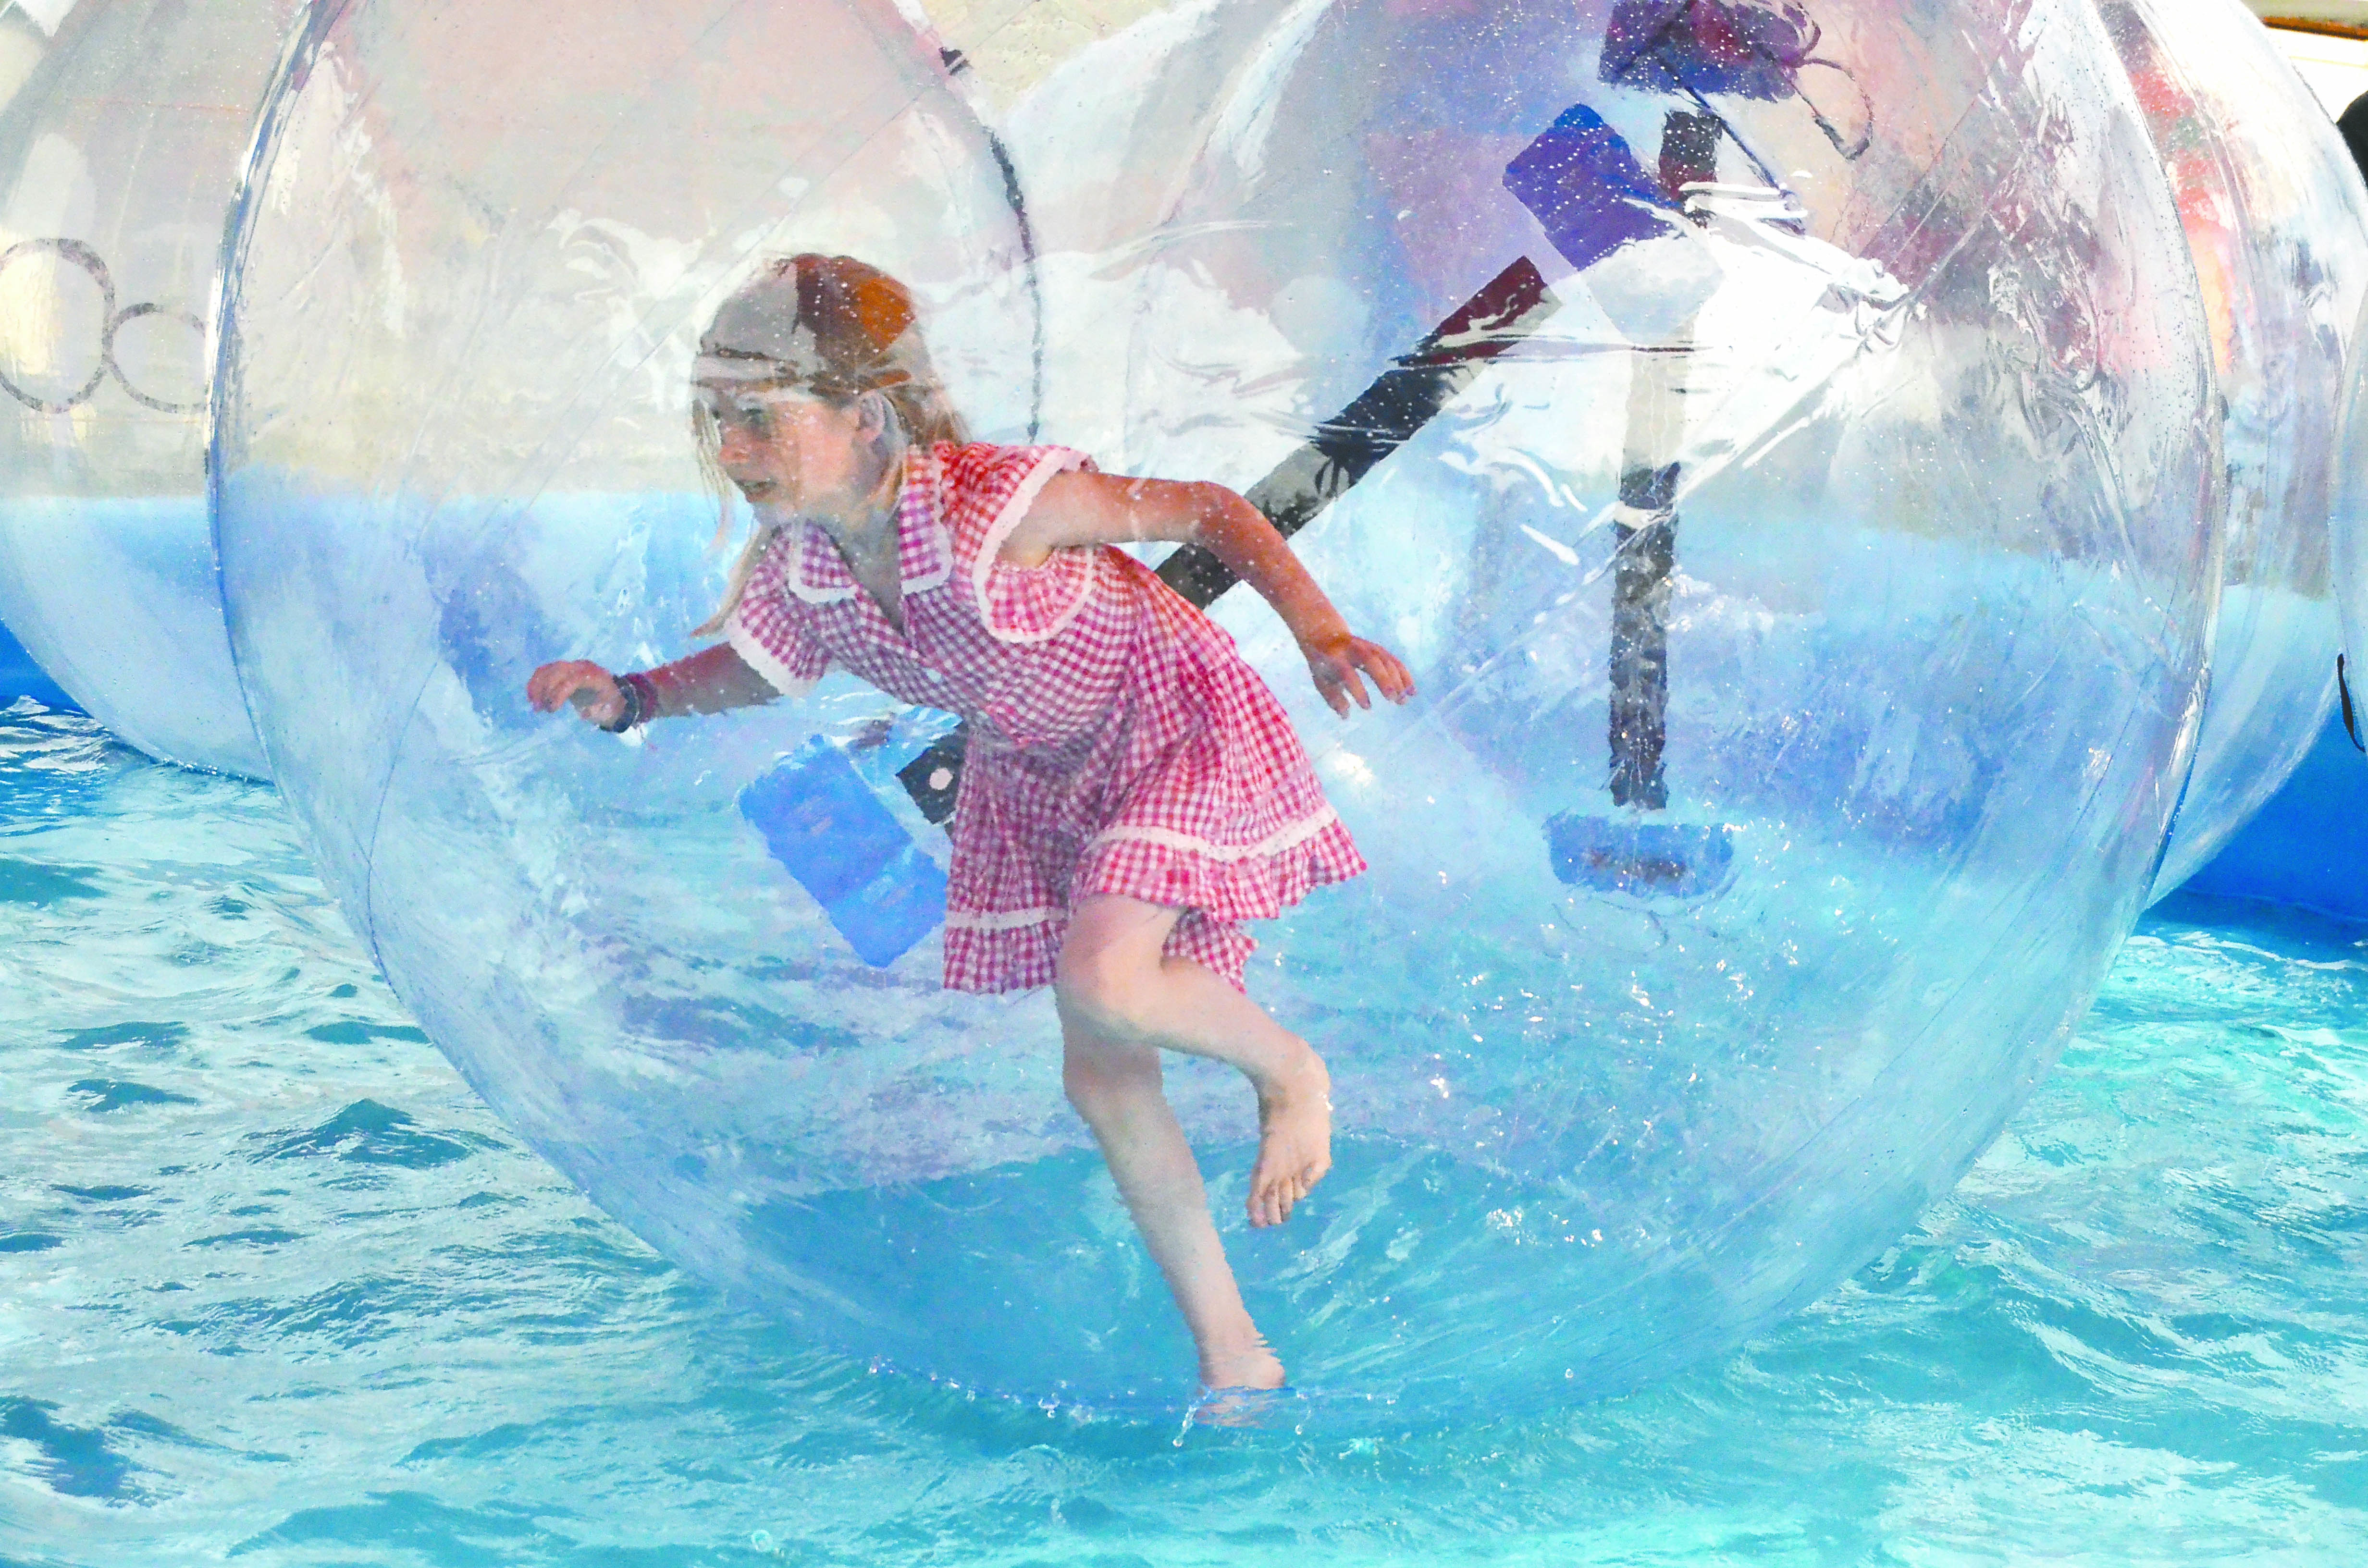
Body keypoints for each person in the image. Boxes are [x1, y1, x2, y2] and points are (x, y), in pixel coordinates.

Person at [528, 254, 1412, 1394]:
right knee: (1099, 1078)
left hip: (1166, 726)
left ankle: (1292, 1072)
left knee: (1105, 981)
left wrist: (1320, 633)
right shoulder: (808, 567)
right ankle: (1233, 1354)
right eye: (717, 426)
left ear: (863, 418)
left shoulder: (995, 505)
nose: (734, 452)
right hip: (1040, 778)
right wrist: (635, 695)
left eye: (759, 420)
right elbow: (752, 674)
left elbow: (1207, 510)